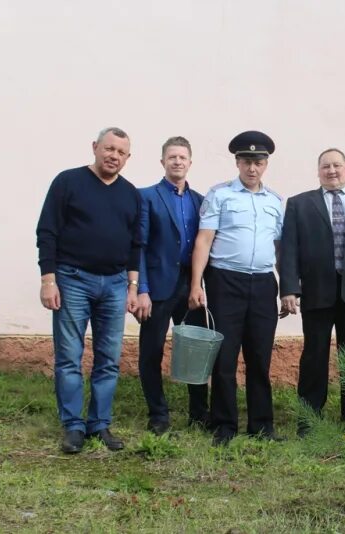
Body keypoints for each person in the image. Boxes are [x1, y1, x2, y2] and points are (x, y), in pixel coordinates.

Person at [36, 127, 140, 454]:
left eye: (121, 152)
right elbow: (47, 231)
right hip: (72, 280)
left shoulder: (130, 194)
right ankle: (73, 426)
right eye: (108, 149)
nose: (114, 156)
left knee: (108, 359)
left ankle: (99, 424)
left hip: (114, 285)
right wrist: (48, 280)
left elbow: (136, 244)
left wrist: (133, 287)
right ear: (95, 147)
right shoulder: (68, 182)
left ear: (127, 158)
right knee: (69, 357)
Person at [279, 148, 345, 435]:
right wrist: (289, 288)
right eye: (326, 166)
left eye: (337, 165)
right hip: (316, 293)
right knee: (314, 355)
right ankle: (309, 418)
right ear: (318, 171)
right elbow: (288, 248)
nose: (332, 171)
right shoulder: (300, 204)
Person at [188, 131, 284, 446]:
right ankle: (224, 426)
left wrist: (287, 289)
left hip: (262, 284)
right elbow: (204, 240)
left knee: (259, 358)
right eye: (246, 161)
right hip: (225, 282)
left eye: (258, 162)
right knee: (225, 358)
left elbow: (279, 248)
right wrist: (196, 284)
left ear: (266, 164)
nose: (252, 168)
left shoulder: (274, 201)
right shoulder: (220, 195)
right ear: (237, 162)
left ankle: (262, 426)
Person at [134, 136, 207, 435]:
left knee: (195, 351)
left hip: (191, 287)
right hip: (158, 286)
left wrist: (199, 284)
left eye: (183, 157)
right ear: (163, 161)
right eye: (172, 157)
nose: (178, 162)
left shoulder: (200, 200)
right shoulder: (146, 197)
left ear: (190, 162)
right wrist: (142, 289)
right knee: (151, 352)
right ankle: (158, 414)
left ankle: (200, 413)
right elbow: (138, 246)